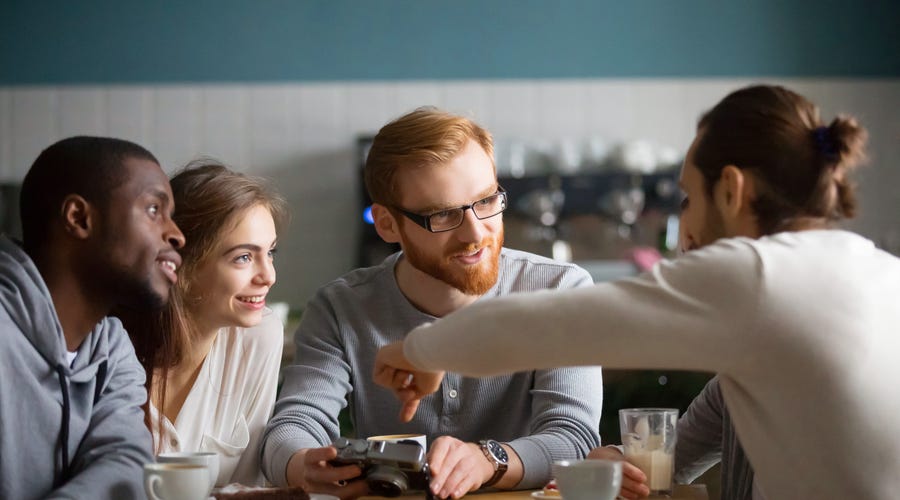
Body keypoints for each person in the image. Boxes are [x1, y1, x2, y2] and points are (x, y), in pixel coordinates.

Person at [374, 85, 900, 499]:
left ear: (732, 190)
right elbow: (683, 450)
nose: (684, 226)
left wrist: (416, 351)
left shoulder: (754, 273)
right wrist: (616, 461)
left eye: (689, 198)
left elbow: (550, 326)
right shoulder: (878, 270)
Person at [261, 107, 603, 499]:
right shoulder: (341, 308)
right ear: (387, 224)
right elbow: (290, 428)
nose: (476, 233)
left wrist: (488, 460)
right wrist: (303, 464)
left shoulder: (562, 288)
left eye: (487, 200)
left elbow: (574, 439)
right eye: (443, 215)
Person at [0, 136, 185, 499]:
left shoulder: (112, 350)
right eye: (153, 210)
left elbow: (124, 462)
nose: (176, 235)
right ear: (79, 218)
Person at [118, 161, 288, 486]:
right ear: (179, 265)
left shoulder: (261, 336)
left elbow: (246, 487)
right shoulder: (110, 348)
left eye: (271, 253)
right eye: (243, 257)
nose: (269, 276)